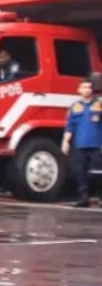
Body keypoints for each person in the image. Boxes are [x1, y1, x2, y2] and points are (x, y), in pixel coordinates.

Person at [62, 79, 101, 208]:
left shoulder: (99, 104)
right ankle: (84, 198)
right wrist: (65, 142)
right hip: (80, 145)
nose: (87, 90)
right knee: (80, 172)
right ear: (79, 90)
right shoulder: (75, 107)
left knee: (97, 173)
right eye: (84, 87)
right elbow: (70, 126)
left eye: (89, 87)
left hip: (96, 144)